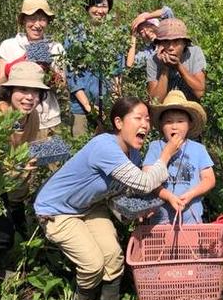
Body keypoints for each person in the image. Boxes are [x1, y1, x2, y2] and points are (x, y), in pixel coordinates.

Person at [34, 97, 184, 300]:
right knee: (92, 265)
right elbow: (145, 183)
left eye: (147, 120)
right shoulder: (104, 146)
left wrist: (132, 211)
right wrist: (166, 154)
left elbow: (117, 192)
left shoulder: (133, 154)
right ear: (119, 123)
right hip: (56, 211)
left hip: (89, 206)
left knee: (113, 258)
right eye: (138, 118)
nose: (145, 125)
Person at [0, 62, 50, 300]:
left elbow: (29, 152)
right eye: (23, 90)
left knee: (4, 239)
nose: (29, 97)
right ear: (10, 91)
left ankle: (0, 279)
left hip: (6, 186)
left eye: (35, 92)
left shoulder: (32, 117)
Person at [0, 0, 65, 138]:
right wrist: (23, 64)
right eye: (32, 18)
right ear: (23, 20)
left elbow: (62, 86)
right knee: (17, 158)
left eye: (42, 19)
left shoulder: (56, 48)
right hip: (16, 120)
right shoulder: (9, 46)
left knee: (50, 160)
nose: (37, 24)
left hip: (49, 120)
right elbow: (0, 83)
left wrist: (49, 71)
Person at [142, 90, 216, 224]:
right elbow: (147, 179)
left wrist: (191, 194)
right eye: (169, 122)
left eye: (180, 121)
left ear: (189, 124)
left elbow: (209, 179)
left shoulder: (198, 149)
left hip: (192, 218)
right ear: (162, 125)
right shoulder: (155, 147)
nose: (174, 126)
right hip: (160, 221)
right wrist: (169, 197)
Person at [64, 0, 122, 137]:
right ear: (87, 7)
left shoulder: (113, 37)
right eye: (95, 5)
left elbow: (117, 73)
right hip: (81, 109)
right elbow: (72, 77)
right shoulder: (75, 37)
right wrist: (90, 108)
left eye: (104, 6)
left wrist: (113, 105)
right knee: (81, 148)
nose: (99, 10)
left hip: (107, 108)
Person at [146, 18, 206, 102]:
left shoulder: (194, 53)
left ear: (184, 43)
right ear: (160, 44)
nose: (171, 47)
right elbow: (155, 101)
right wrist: (165, 68)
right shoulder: (153, 60)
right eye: (166, 42)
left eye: (176, 41)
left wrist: (178, 66)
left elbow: (200, 93)